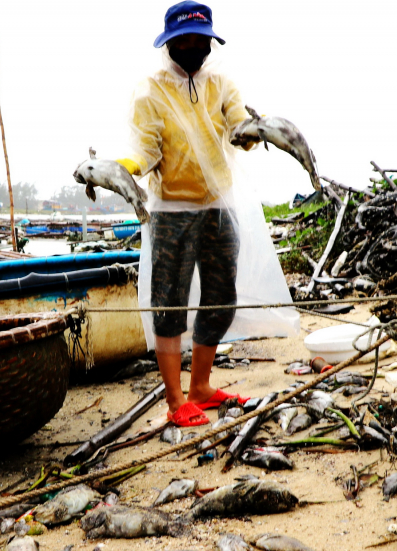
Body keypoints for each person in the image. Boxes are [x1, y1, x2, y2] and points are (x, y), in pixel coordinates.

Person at [114, 1, 268, 427]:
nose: (193, 46)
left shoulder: (221, 82)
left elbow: (238, 127)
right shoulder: (150, 91)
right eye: (184, 40)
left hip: (219, 205)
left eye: (200, 40)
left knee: (220, 298)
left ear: (209, 41)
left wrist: (256, 133)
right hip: (172, 210)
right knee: (169, 304)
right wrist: (123, 169)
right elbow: (145, 152)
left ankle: (200, 386)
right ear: (168, 43)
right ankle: (175, 399)